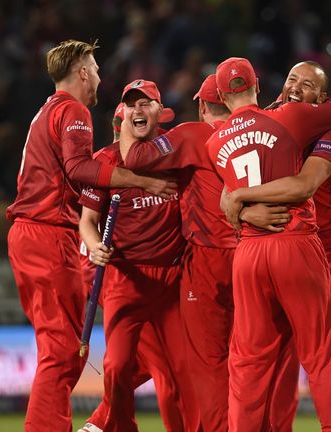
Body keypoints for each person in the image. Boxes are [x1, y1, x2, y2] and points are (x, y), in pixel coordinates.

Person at [5, 40, 175, 432]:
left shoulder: (48, 110)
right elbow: (80, 168)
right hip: (48, 234)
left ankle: (96, 424)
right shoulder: (73, 110)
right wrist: (141, 180)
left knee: (67, 351)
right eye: (96, 68)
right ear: (83, 72)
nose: (99, 76)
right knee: (62, 353)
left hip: (39, 235)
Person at [222, 61, 331, 432]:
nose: (297, 86)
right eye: (291, 79)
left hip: (329, 249)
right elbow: (226, 195)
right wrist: (250, 215)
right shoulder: (265, 124)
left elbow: (310, 188)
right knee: (281, 355)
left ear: (321, 97)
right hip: (288, 246)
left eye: (308, 84)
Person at [78, 79, 198, 432]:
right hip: (125, 278)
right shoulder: (105, 162)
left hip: (173, 280)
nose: (138, 110)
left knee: (178, 371)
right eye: (132, 105)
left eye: (147, 103)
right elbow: (88, 223)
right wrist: (95, 245)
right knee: (116, 366)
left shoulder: (175, 155)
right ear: (123, 114)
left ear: (160, 113)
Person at [117, 74, 234, 431]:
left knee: (207, 363)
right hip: (255, 254)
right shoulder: (262, 132)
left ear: (201, 106)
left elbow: (135, 157)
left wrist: (125, 120)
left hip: (204, 260)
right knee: (256, 357)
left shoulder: (191, 135)